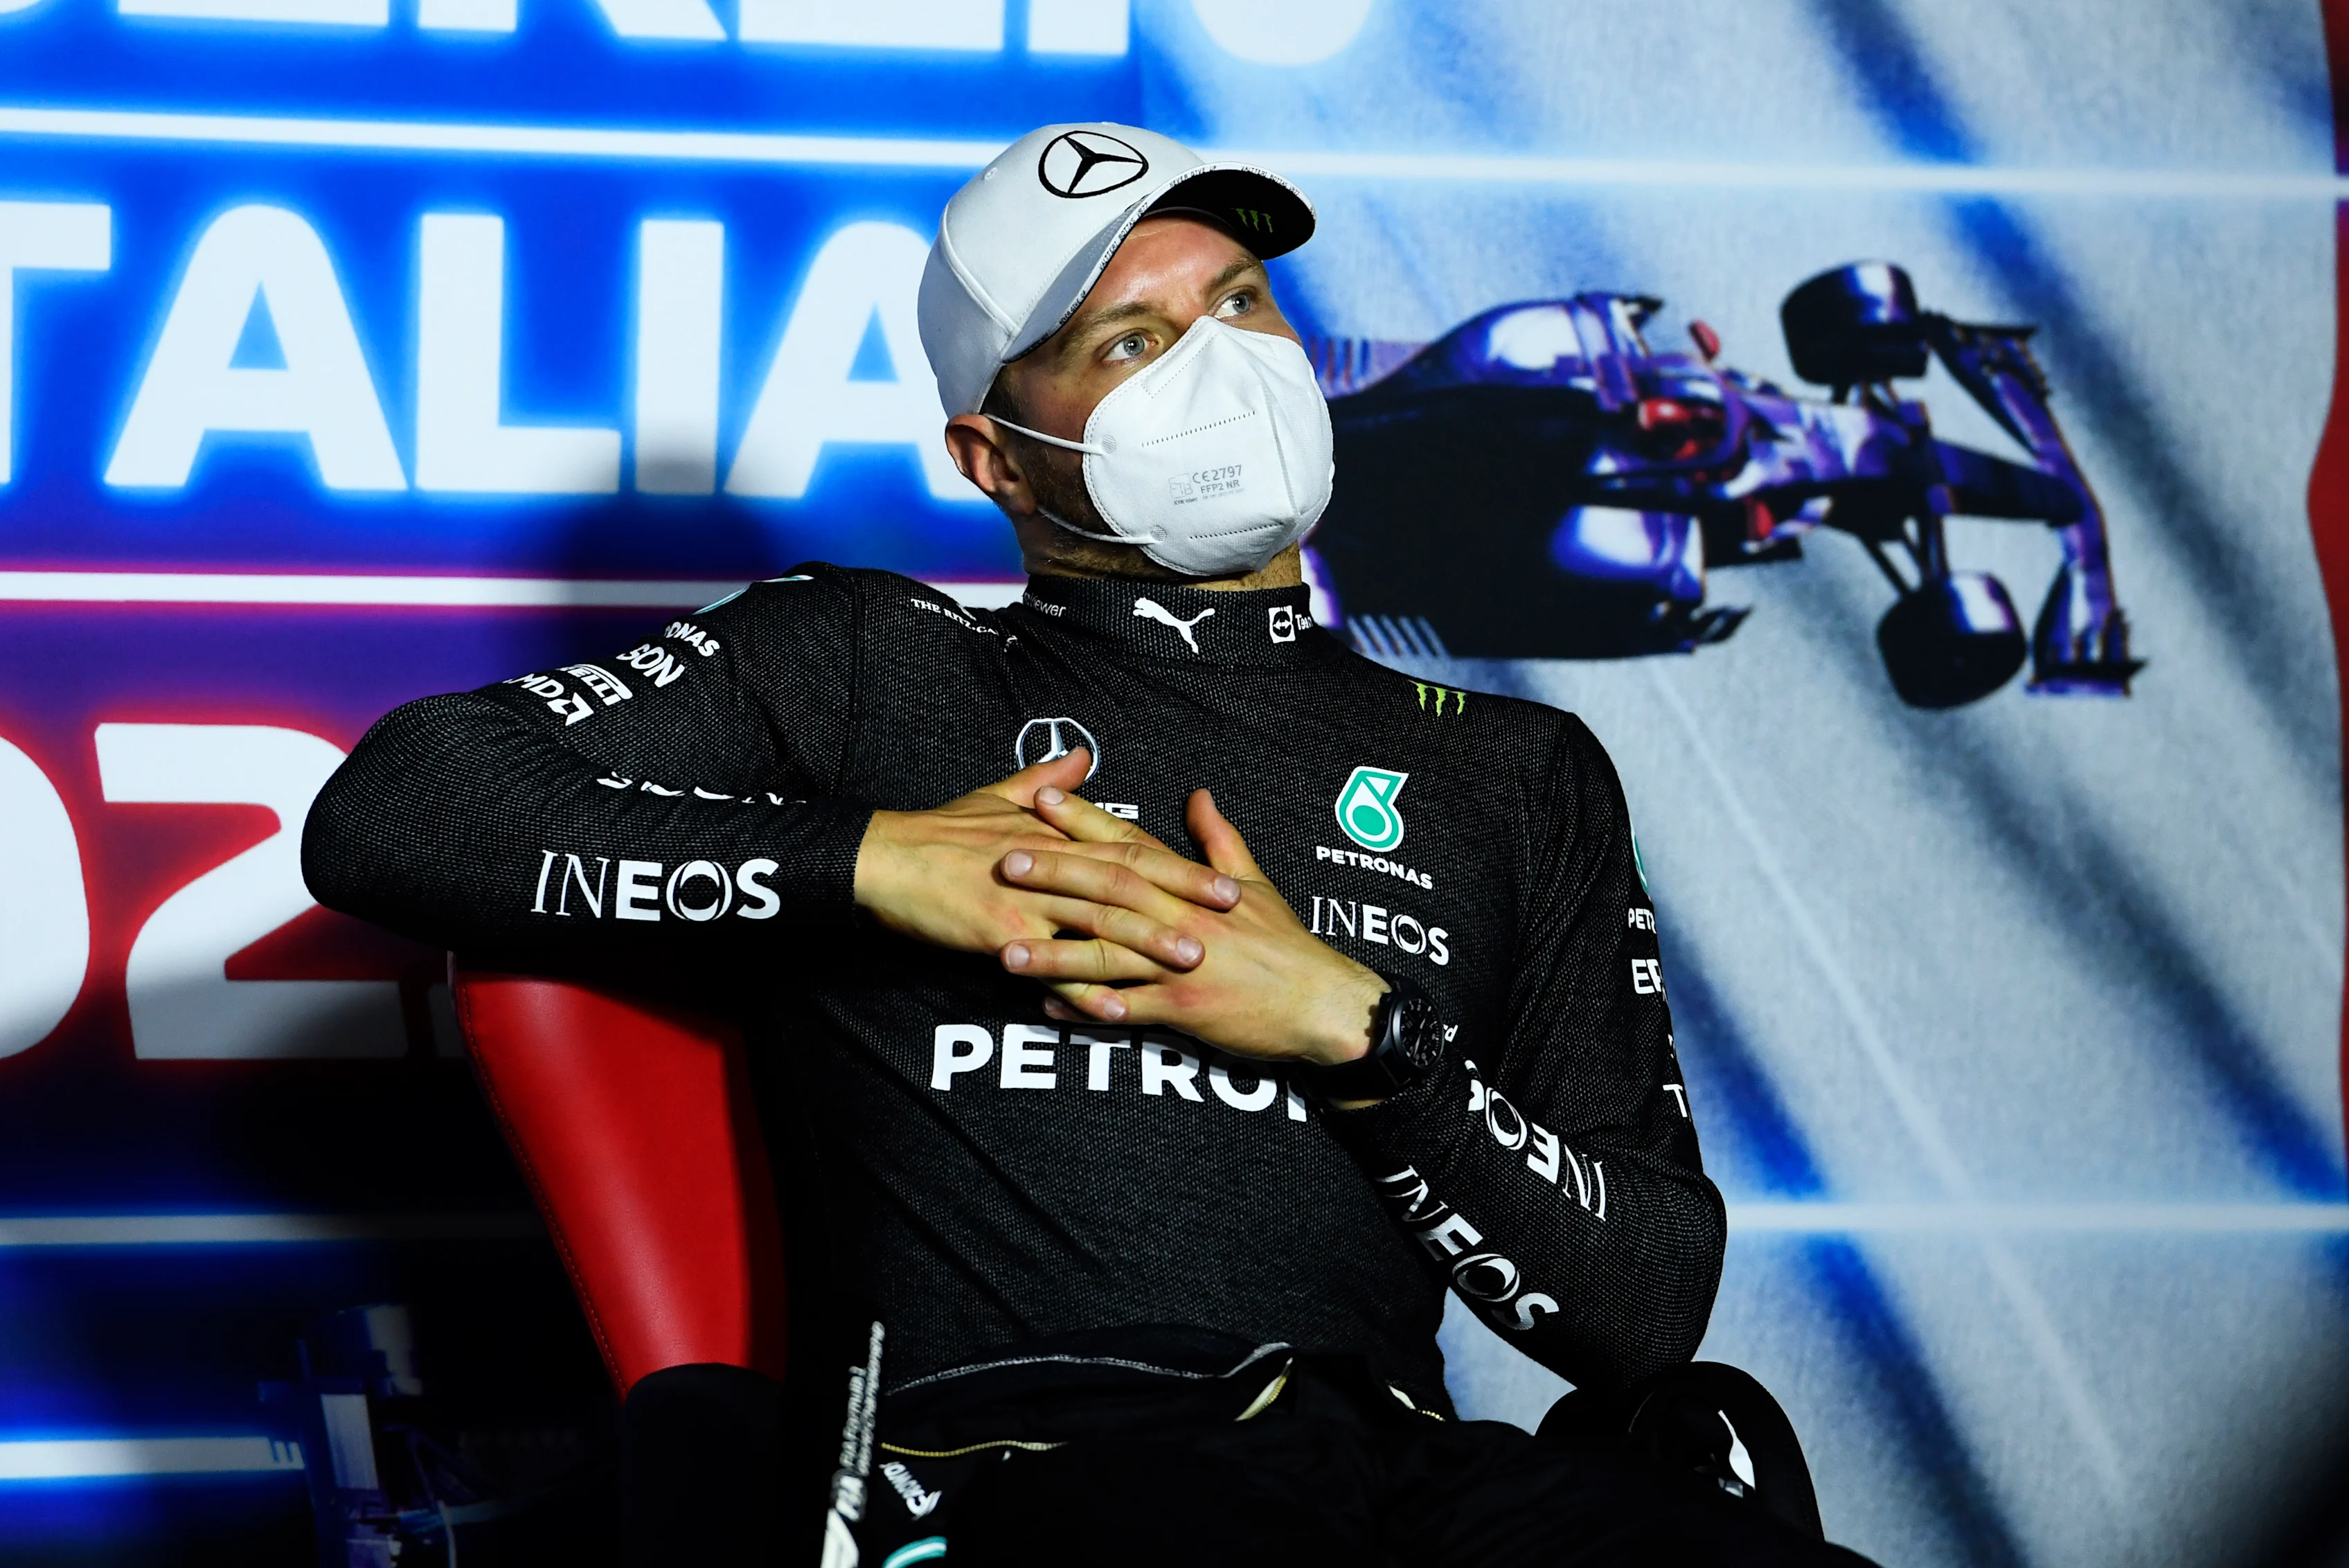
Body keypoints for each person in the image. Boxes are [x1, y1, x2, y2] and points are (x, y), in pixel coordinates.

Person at [304, 122, 1878, 1566]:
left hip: (1412, 1485)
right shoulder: (868, 662)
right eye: (1133, 341)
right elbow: (398, 808)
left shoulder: (1514, 771)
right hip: (1011, 1476)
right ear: (992, 457)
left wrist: (1359, 1035)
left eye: (1242, 303)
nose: (1228, 363)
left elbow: (1646, 1314)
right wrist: (873, 865)